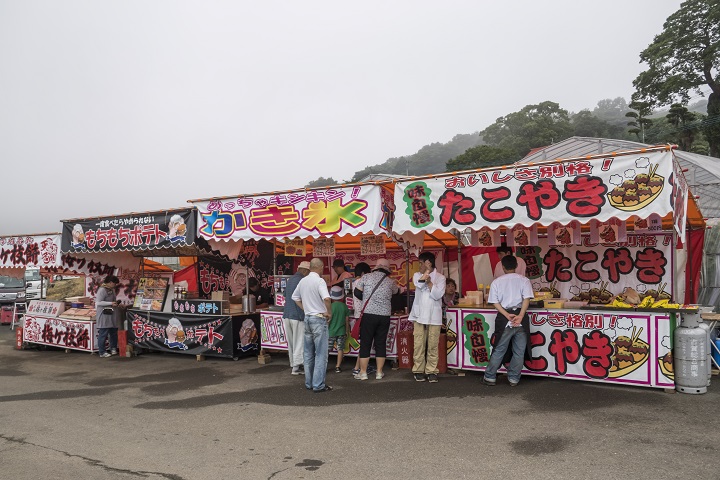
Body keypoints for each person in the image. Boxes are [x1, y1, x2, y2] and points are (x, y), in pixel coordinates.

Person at [482, 255, 534, 387]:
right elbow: (526, 299)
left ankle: (490, 376)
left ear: (503, 267)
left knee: (500, 347)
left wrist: (506, 314)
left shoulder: (497, 282)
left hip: (505, 316)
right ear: (516, 266)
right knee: (519, 350)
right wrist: (521, 315)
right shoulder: (524, 280)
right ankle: (514, 378)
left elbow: (494, 302)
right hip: (520, 316)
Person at [353, 258, 399, 380]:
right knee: (380, 343)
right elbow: (397, 292)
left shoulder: (366, 277)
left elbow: (357, 293)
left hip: (368, 314)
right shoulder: (390, 281)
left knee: (366, 343)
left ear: (376, 267)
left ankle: (363, 373)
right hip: (384, 316)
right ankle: (379, 372)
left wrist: (367, 299)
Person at [292, 258, 333, 393]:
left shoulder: (303, 281)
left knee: (308, 354)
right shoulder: (319, 281)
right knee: (321, 353)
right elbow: (326, 298)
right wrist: (329, 312)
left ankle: (309, 383)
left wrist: (305, 308)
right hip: (319, 319)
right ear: (320, 267)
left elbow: (295, 297)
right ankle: (318, 384)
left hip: (308, 318)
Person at [410, 252, 446, 383]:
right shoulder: (416, 275)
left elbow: (437, 295)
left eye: (421, 263)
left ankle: (431, 370)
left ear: (428, 263)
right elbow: (419, 284)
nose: (418, 266)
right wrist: (426, 275)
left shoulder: (441, 278)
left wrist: (430, 283)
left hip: (434, 315)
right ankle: (418, 370)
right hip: (419, 314)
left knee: (432, 344)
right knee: (418, 342)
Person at [283, 261, 311, 375]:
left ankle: (293, 364)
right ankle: (296, 367)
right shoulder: (302, 280)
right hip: (298, 315)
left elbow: (285, 294)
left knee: (291, 342)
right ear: (305, 270)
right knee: (299, 342)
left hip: (287, 314)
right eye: (309, 272)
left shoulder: (290, 280)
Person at [350, 262, 375, 376]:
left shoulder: (354, 283)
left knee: (364, 342)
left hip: (357, 315)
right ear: (364, 273)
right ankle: (357, 367)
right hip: (364, 315)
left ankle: (362, 366)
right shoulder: (362, 282)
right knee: (366, 343)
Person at [95, 275, 120, 358]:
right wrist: (110, 303)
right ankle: (102, 352)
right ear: (110, 282)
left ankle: (113, 348)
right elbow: (98, 302)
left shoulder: (112, 290)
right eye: (114, 283)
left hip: (112, 314)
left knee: (113, 332)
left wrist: (117, 303)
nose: (115, 285)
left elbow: (113, 300)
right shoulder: (102, 290)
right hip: (104, 314)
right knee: (103, 333)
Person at [328, 286, 350, 373]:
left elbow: (328, 320)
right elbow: (347, 320)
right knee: (340, 349)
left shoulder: (330, 306)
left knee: (327, 350)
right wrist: (347, 330)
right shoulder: (344, 306)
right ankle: (338, 367)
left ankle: (324, 366)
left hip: (331, 332)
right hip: (342, 331)